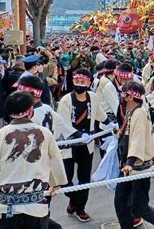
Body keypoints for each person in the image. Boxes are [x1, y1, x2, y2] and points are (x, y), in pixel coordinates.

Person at [0, 91, 67, 229]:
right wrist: (56, 183)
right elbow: (55, 162)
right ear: (31, 110)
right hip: (35, 207)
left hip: (8, 208)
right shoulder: (44, 133)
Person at [114, 82, 154, 229]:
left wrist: (130, 163)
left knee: (139, 206)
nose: (121, 96)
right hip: (128, 166)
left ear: (130, 96)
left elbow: (138, 140)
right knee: (121, 202)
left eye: (123, 93)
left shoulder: (139, 113)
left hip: (137, 167)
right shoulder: (131, 110)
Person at [57, 68, 108, 222]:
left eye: (83, 82)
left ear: (88, 83)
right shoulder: (65, 100)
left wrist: (109, 123)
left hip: (87, 145)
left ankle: (80, 208)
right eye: (77, 81)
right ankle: (73, 198)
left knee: (84, 178)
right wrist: (79, 135)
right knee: (65, 179)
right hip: (70, 144)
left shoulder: (93, 97)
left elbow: (99, 114)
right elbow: (62, 123)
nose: (80, 84)